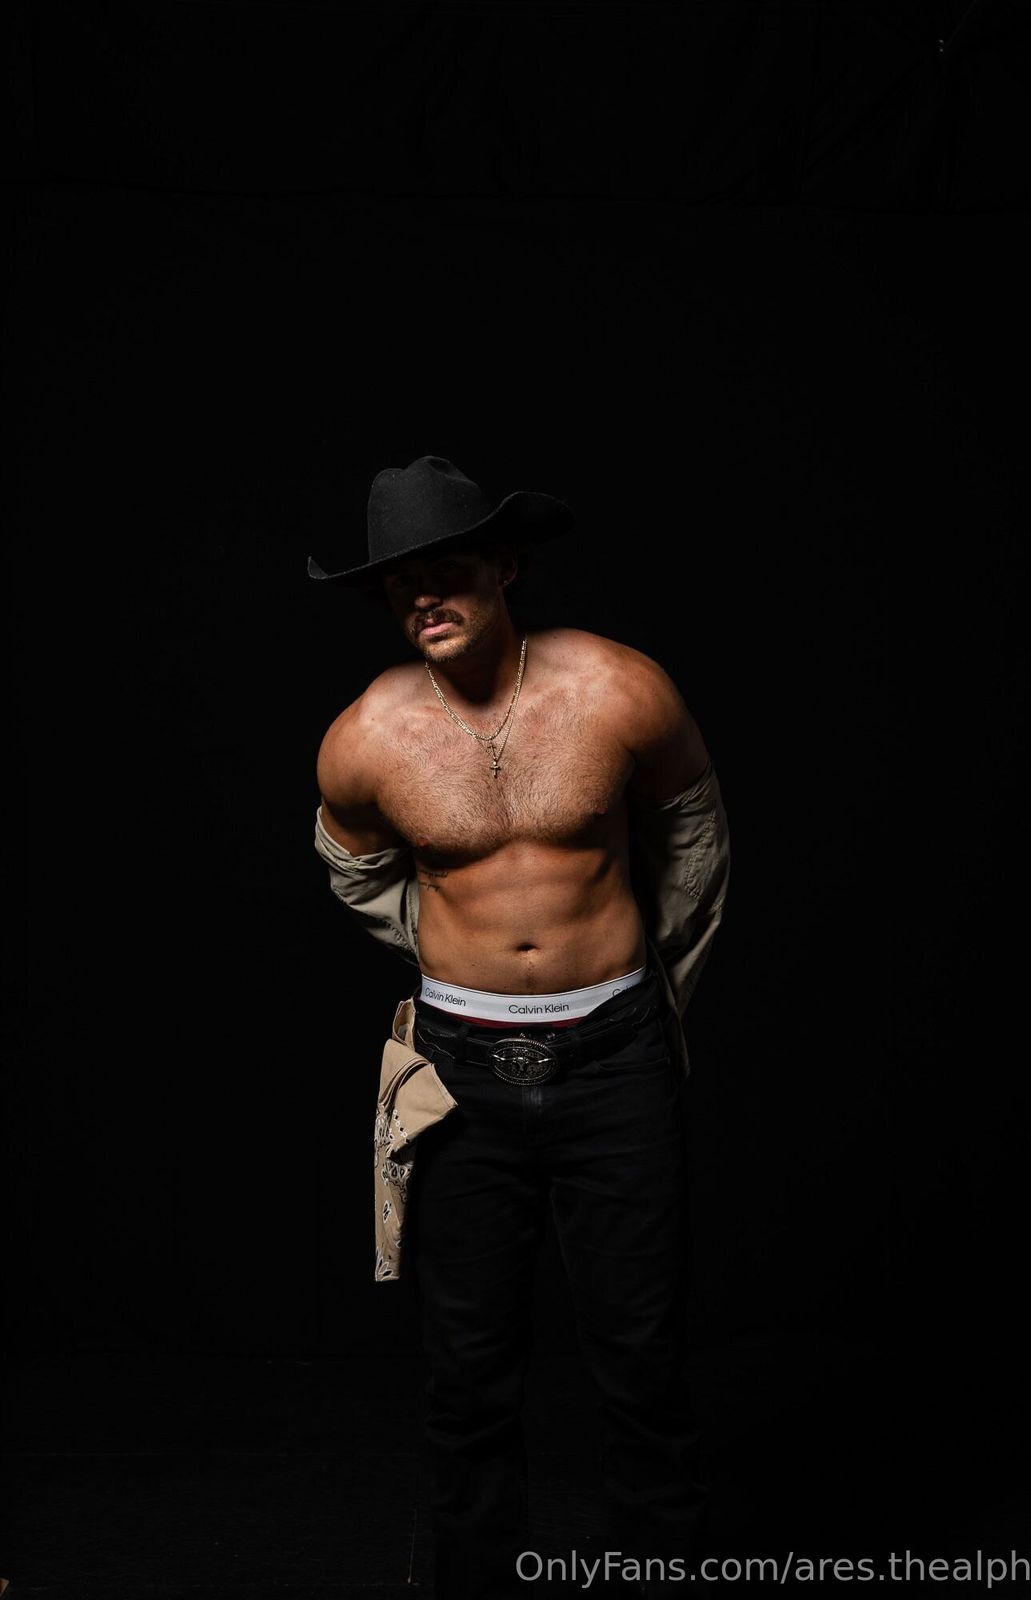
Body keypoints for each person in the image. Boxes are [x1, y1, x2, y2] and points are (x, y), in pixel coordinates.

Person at [309, 454, 730, 1599]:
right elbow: (354, 872)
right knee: (467, 1374)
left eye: (445, 570)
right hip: (457, 1075)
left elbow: (693, 841)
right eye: (400, 584)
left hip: (615, 1061)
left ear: (505, 564)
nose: (423, 597)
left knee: (641, 1361)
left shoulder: (620, 688)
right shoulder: (365, 735)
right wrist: (460, 958)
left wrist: (633, 984)